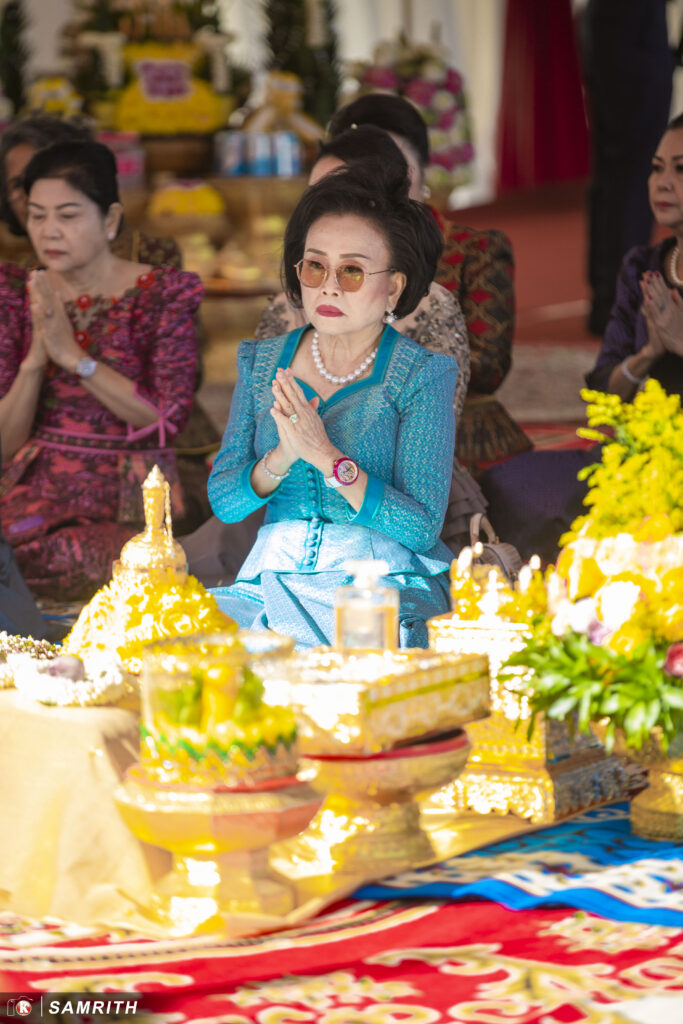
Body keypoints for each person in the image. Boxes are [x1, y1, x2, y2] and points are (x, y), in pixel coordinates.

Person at [207, 160, 457, 649]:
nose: (329, 286)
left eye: (352, 271)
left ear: (394, 287)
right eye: (315, 266)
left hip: (381, 583)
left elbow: (421, 527)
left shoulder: (424, 374)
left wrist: (326, 457)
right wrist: (282, 456)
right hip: (269, 579)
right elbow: (225, 502)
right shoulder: (260, 362)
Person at [0, 140, 203, 599]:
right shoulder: (16, 296)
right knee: (12, 552)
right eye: (37, 216)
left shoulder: (160, 295)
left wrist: (75, 358)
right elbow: (5, 443)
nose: (49, 231)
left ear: (110, 219)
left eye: (68, 216)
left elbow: (166, 419)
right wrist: (35, 361)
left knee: (78, 556)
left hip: (124, 496)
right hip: (31, 492)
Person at [326, 92, 529, 470]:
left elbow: (489, 368)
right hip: (341, 425)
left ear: (422, 170)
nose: (379, 178)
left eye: (393, 162)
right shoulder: (322, 258)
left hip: (455, 432)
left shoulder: (474, 249)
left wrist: (379, 352)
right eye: (362, 165)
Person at [579, 0, 673, 337]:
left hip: (612, 31)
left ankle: (608, 300)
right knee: (633, 172)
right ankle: (621, 302)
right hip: (634, 35)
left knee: (614, 171)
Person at [586, 112, 683, 399]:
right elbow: (602, 389)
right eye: (657, 168)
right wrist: (648, 354)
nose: (662, 182)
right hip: (652, 427)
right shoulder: (642, 267)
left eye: (681, 169)